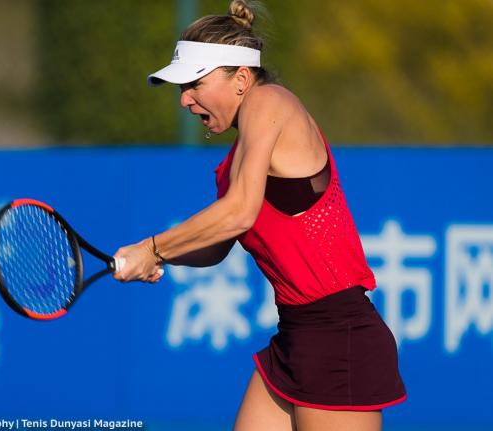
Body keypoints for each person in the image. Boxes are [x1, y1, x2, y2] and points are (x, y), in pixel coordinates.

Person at [113, 1, 406, 430]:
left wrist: (152, 247)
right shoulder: (235, 164)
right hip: (294, 340)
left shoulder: (269, 101)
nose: (184, 100)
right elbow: (215, 247)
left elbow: (239, 213)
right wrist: (159, 258)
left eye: (194, 84)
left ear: (242, 79)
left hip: (340, 339)